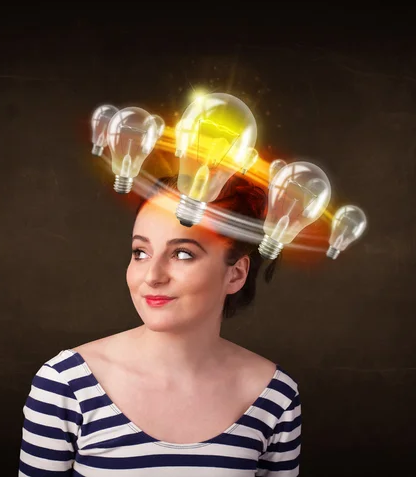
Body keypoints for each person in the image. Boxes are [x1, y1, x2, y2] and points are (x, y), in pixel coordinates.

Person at [18, 173, 302, 476]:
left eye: (182, 254)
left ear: (236, 274)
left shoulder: (274, 396)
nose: (152, 276)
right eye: (140, 252)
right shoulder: (66, 385)